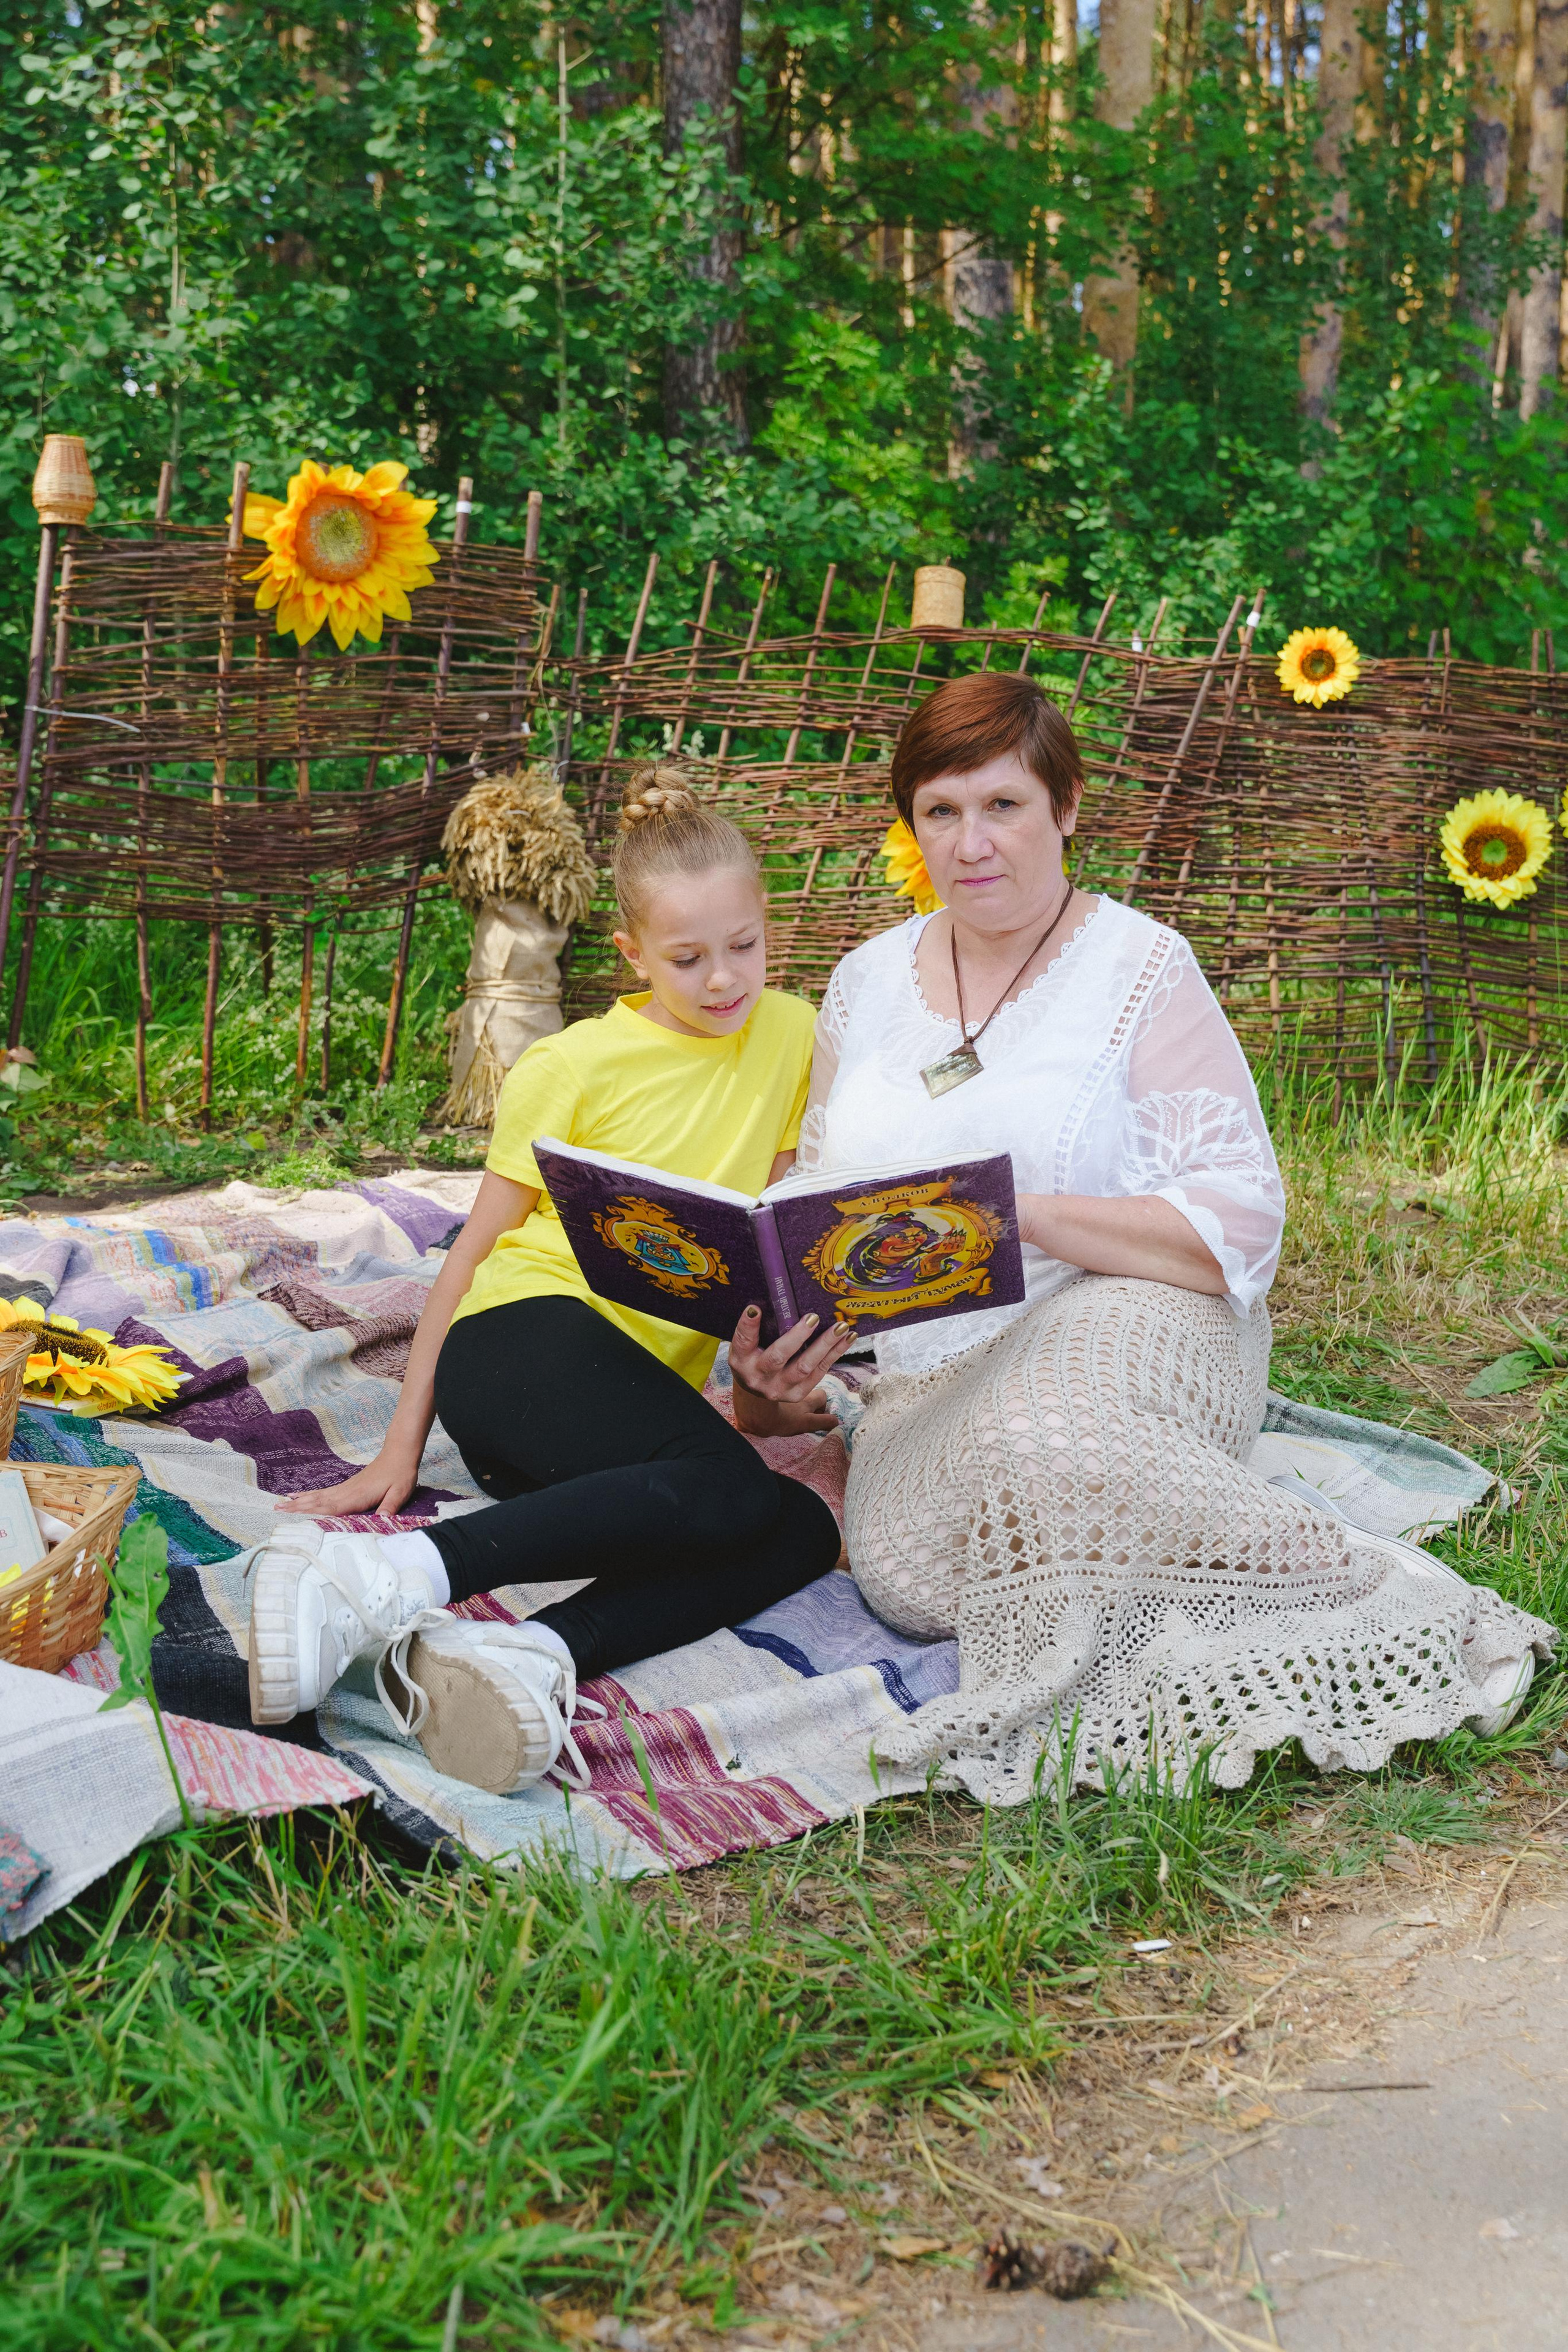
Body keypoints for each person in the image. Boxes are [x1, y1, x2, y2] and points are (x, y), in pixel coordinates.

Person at [792, 669, 1551, 1800]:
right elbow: (817, 1208)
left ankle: (1365, 1590)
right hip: (927, 1375)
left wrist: (1012, 1218)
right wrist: (784, 1366)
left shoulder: (1139, 967)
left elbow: (1236, 1229)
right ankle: (1152, 1572)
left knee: (1043, 1439)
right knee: (907, 1573)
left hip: (1130, 1312)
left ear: (1066, 808)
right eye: (940, 811)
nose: (971, 843)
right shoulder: (863, 984)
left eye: (1003, 805)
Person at [243, 769, 852, 1793]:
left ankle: (532, 1654)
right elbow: (470, 1255)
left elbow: (766, 1244)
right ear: (631, 953)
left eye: (744, 946)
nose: (722, 980)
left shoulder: (795, 1034)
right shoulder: (571, 1066)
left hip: (613, 1445)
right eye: (686, 958)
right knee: (737, 1493)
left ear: (768, 927)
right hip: (518, 1342)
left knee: (796, 1524)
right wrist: (400, 1449)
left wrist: (764, 1382)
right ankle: (380, 1575)